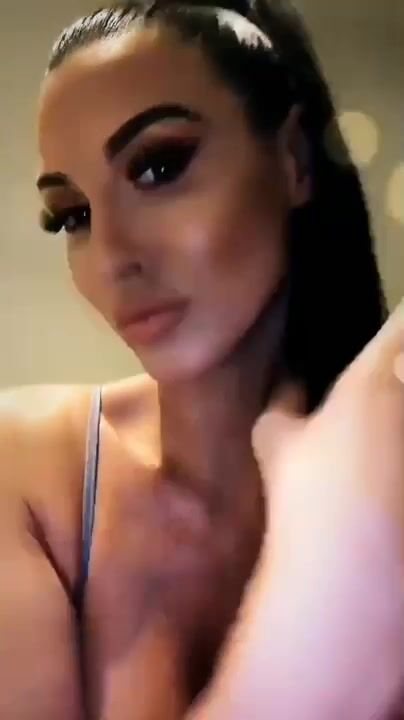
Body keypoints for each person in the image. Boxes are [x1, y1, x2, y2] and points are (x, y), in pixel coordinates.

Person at [0, 0, 401, 717]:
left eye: (158, 168)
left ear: (293, 159)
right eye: (73, 216)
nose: (112, 257)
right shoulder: (26, 472)